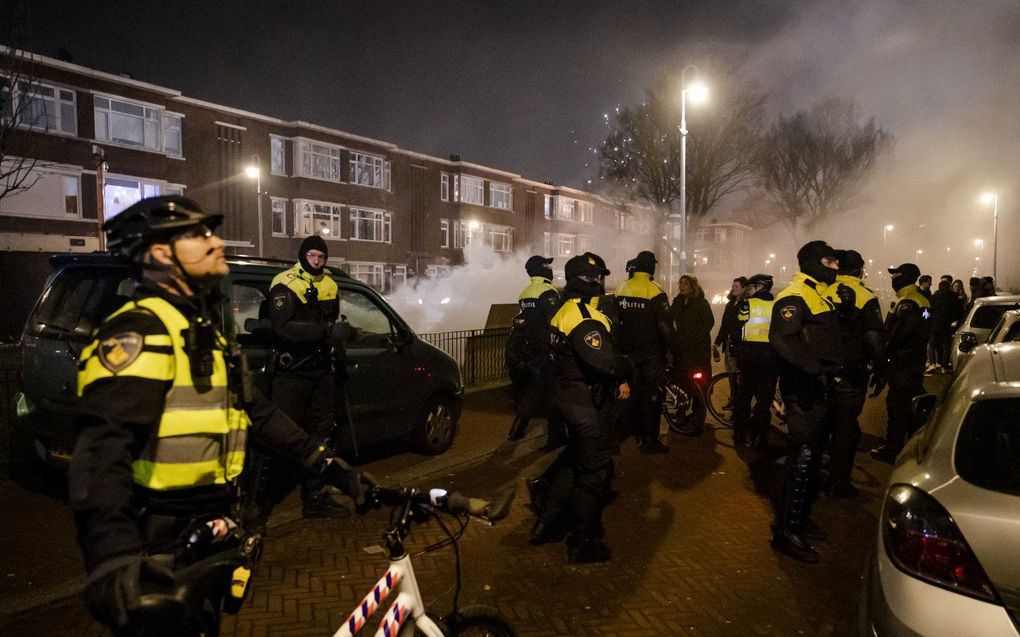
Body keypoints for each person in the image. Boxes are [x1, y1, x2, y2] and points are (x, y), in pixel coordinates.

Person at [70, 196, 374, 634]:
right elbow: (101, 452)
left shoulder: (203, 333)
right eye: (200, 235)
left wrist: (332, 468)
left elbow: (261, 416)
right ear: (160, 254)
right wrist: (112, 555)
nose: (217, 242)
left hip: (210, 533)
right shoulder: (139, 333)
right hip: (162, 546)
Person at [529, 253, 632, 563]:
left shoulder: (566, 310)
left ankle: (546, 523)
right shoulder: (580, 316)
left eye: (600, 277)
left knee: (575, 461)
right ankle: (583, 541)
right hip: (584, 403)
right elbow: (603, 361)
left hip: (567, 399)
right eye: (593, 278)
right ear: (579, 282)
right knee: (595, 472)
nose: (599, 283)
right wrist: (627, 369)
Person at [243, 235, 349, 534]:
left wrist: (338, 359)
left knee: (322, 436)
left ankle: (314, 498)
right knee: (278, 437)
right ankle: (258, 504)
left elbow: (332, 323)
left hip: (321, 373)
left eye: (321, 257)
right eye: (312, 255)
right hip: (293, 374)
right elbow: (284, 328)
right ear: (303, 255)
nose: (316, 261)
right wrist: (328, 335)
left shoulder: (331, 284)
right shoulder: (285, 282)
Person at [768, 241, 844, 563]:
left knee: (811, 460)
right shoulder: (793, 296)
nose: (835, 267)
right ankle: (786, 532)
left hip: (820, 390)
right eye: (829, 261)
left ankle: (800, 518)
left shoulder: (820, 294)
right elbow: (782, 338)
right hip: (804, 391)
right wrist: (816, 372)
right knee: (802, 456)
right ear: (812, 262)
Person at [821, 250, 884, 498]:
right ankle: (839, 483)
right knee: (846, 429)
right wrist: (881, 369)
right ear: (860, 269)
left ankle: (813, 475)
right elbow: (873, 337)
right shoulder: (865, 296)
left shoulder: (821, 291)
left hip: (820, 372)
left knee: (821, 425)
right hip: (850, 374)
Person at [614, 251, 682, 454]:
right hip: (650, 354)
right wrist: (675, 350)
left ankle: (615, 438)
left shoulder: (621, 288)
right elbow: (665, 326)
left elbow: (616, 323)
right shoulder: (654, 291)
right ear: (651, 267)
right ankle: (649, 441)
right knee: (651, 397)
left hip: (627, 353)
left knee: (628, 396)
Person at [869, 263, 932, 464]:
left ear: (905, 277)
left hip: (903, 363)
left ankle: (893, 448)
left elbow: (898, 336)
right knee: (913, 403)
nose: (892, 278)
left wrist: (883, 354)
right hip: (915, 361)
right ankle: (914, 443)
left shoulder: (908, 303)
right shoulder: (922, 300)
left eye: (895, 275)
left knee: (897, 405)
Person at [506, 255, 565, 446]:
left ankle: (518, 427)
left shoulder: (524, 293)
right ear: (541, 269)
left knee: (535, 390)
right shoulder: (548, 292)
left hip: (529, 350)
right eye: (547, 264)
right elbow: (555, 322)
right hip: (546, 351)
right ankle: (555, 437)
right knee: (553, 394)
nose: (550, 268)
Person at [731, 273, 777, 449]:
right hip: (770, 359)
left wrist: (737, 348)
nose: (748, 290)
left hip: (749, 357)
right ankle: (759, 437)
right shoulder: (777, 306)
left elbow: (737, 327)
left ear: (760, 287)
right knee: (764, 401)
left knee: (744, 397)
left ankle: (740, 435)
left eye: (751, 287)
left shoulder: (747, 304)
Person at [671, 274, 715, 386]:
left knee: (699, 380)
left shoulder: (701, 303)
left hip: (698, 349)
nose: (682, 286)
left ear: (692, 286)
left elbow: (709, 322)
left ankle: (700, 401)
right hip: (682, 348)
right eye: (681, 283)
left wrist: (696, 337)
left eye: (686, 284)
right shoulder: (677, 302)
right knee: (682, 379)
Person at [713, 277, 748, 404]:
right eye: (732, 286)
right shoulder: (730, 305)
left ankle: (738, 401)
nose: (733, 289)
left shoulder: (746, 304)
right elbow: (724, 326)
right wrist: (717, 342)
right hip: (730, 345)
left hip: (740, 345)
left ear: (744, 289)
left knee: (739, 375)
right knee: (731, 374)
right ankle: (733, 398)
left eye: (736, 286)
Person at [930, 278, 964, 373]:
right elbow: (959, 310)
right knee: (946, 344)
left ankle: (938, 362)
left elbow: (929, 310)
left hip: (935, 324)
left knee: (937, 344)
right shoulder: (953, 296)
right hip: (948, 324)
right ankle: (944, 365)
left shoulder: (934, 297)